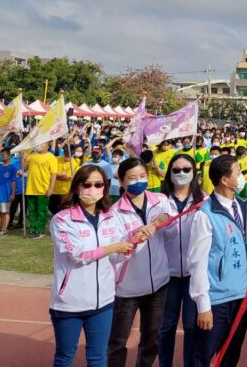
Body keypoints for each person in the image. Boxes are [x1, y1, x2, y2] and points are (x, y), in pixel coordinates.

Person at [49, 164, 136, 366]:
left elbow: (114, 258)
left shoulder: (110, 217)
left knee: (98, 358)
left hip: (103, 302)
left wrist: (129, 247)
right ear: (77, 187)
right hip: (69, 303)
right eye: (87, 184)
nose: (92, 189)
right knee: (64, 358)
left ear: (105, 188)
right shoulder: (62, 220)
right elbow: (77, 254)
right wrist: (115, 247)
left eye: (99, 184)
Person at [188, 154, 247, 367]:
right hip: (216, 301)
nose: (242, 177)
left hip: (241, 296)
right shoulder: (205, 215)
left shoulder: (244, 208)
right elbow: (197, 262)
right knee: (203, 356)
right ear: (225, 180)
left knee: (231, 354)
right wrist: (203, 304)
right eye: (238, 173)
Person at [108, 157, 175, 367]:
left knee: (151, 338)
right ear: (121, 181)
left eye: (142, 176)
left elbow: (173, 230)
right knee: (118, 340)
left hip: (159, 284)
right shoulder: (114, 213)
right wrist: (134, 238)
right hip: (127, 289)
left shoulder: (161, 200)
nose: (138, 181)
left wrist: (163, 221)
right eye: (132, 178)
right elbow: (113, 254)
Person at [158, 154, 203, 367]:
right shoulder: (159, 201)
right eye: (176, 170)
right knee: (166, 326)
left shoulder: (204, 199)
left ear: (194, 172)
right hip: (168, 275)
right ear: (169, 174)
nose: (181, 174)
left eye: (186, 169)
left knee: (192, 326)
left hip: (195, 275)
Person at [25, 142, 58, 238]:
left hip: (43, 189)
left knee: (41, 211)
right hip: (30, 188)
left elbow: (53, 174)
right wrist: (23, 158)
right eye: (39, 144)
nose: (39, 145)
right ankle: (32, 229)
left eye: (42, 144)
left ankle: (40, 230)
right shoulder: (32, 156)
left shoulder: (51, 157)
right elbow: (23, 168)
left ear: (47, 146)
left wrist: (51, 188)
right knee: (32, 211)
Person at [0, 148, 17, 236]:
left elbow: (13, 181)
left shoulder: (12, 168)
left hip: (6, 194)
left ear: (9, 156)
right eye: (1, 155)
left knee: (5, 212)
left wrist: (13, 193)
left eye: (3, 155)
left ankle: (4, 230)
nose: (1, 157)